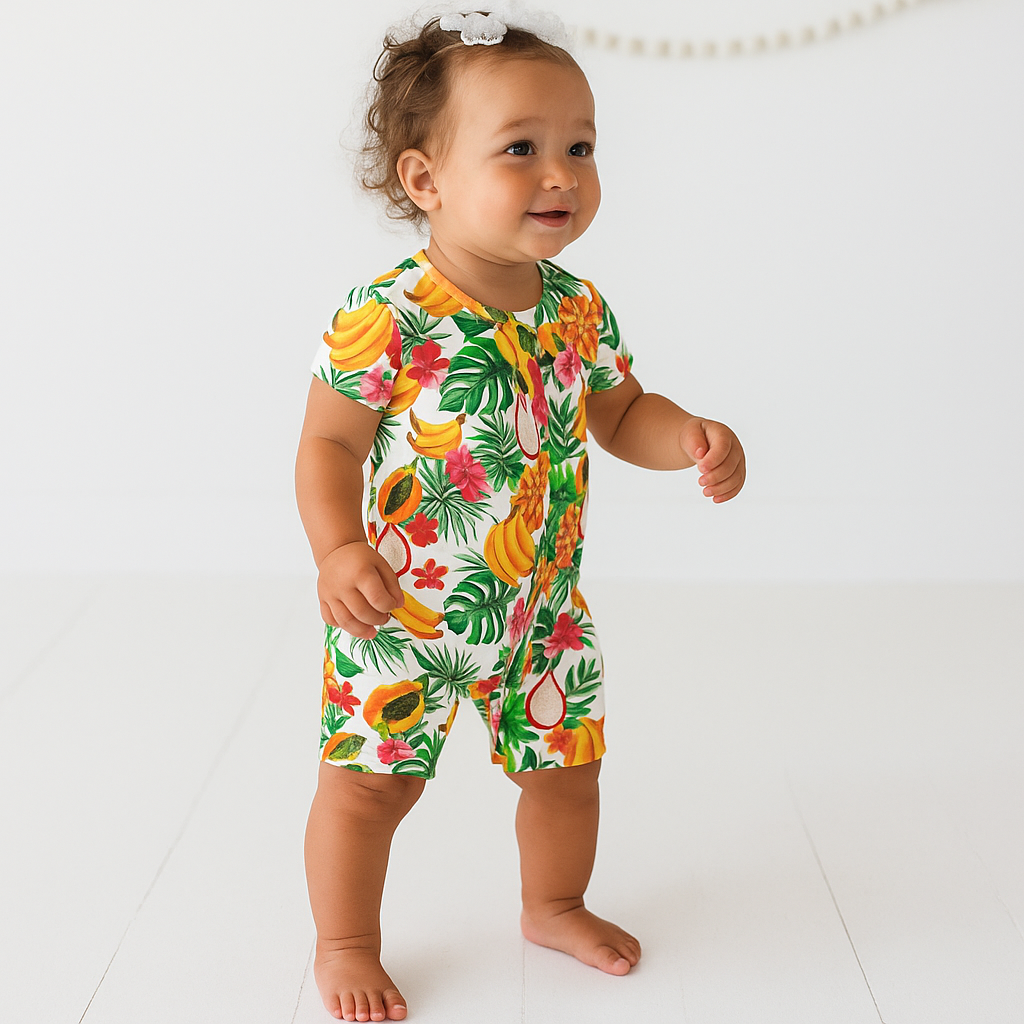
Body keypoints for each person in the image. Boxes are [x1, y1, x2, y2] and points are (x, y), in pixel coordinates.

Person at [295, 8, 746, 1021]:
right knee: (371, 789)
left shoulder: (574, 306)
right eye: (522, 151)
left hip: (541, 609)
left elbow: (619, 409)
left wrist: (687, 436)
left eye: (580, 148)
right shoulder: (391, 314)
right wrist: (337, 547)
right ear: (426, 181)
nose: (561, 174)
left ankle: (554, 902)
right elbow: (328, 444)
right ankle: (345, 940)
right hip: (402, 614)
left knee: (568, 771)